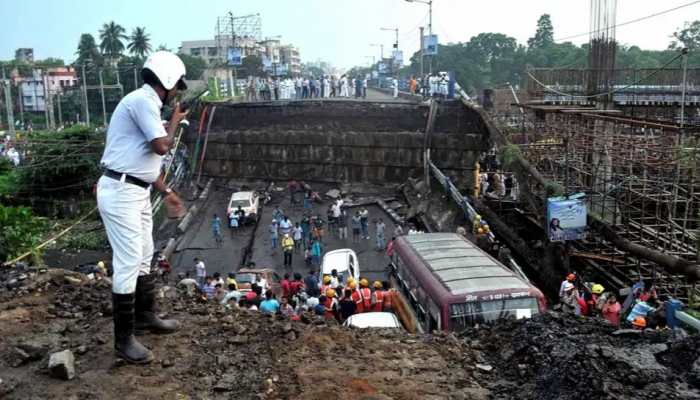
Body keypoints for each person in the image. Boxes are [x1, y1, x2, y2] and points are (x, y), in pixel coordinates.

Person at [97, 51, 187, 364]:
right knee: (128, 260)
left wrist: (167, 191)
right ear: (167, 81)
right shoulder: (142, 101)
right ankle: (123, 341)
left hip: (137, 190)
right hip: (120, 190)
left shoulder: (146, 106)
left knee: (146, 253)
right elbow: (161, 146)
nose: (176, 92)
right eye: (176, 85)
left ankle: (144, 316)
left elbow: (146, 162)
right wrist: (174, 123)